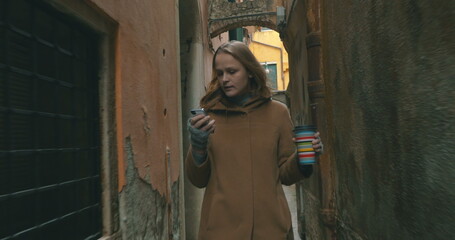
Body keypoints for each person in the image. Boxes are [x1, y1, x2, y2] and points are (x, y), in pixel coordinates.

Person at [186, 40, 323, 240]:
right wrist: (198, 147)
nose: (225, 79)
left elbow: (285, 174)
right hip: (220, 230)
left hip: (271, 229)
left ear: (250, 72)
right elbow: (198, 180)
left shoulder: (277, 113)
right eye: (220, 73)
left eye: (232, 71)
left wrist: (303, 156)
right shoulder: (208, 118)